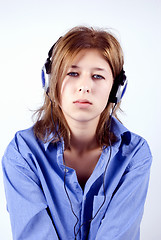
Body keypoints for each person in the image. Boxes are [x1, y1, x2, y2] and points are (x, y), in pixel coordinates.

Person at [2, 26, 152, 240]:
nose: (84, 86)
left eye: (98, 76)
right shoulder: (22, 152)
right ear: (50, 81)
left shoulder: (134, 154)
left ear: (116, 89)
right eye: (72, 73)